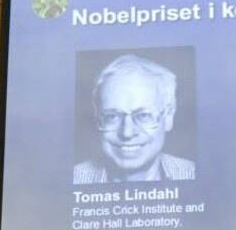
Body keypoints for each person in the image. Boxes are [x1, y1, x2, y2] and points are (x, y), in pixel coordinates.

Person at [73, 54, 195, 183]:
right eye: (112, 116)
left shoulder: (194, 174)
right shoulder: (73, 179)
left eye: (143, 116)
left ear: (168, 116)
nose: (127, 133)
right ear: (98, 117)